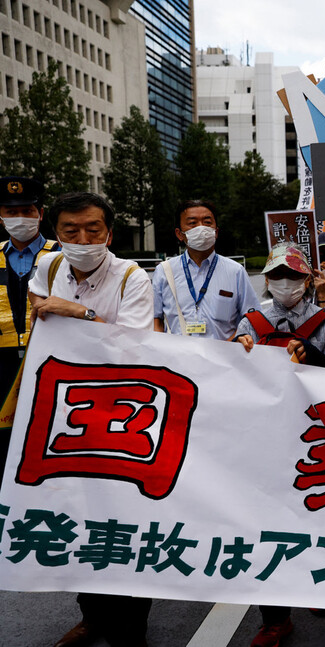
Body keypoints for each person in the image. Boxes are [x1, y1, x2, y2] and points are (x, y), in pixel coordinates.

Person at [27, 192, 154, 647]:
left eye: (92, 230)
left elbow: (136, 348)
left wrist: (78, 311)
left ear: (109, 233)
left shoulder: (132, 278)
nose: (81, 240)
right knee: (77, 516)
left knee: (125, 522)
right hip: (66, 416)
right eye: (69, 232)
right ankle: (92, 616)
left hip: (124, 420)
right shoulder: (51, 267)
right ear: (56, 234)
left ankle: (131, 631)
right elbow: (37, 300)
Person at [234, 244, 325, 647]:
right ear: (267, 280)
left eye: (294, 276)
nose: (286, 283)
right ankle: (275, 617)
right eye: (278, 275)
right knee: (268, 526)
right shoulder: (251, 321)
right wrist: (238, 354)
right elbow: (237, 382)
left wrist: (311, 354)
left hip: (314, 433)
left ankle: (319, 585)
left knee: (320, 513)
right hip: (265, 437)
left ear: (307, 280)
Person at [0, 177, 58, 477]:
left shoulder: (63, 254)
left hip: (50, 361)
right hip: (2, 365)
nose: (19, 218)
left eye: (26, 210)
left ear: (40, 213)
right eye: (11, 212)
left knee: (47, 436)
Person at [152, 199, 260, 339]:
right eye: (192, 223)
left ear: (216, 231)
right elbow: (156, 319)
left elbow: (252, 319)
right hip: (178, 358)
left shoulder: (236, 271)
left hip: (224, 357)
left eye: (207, 222)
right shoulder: (164, 271)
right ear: (179, 234)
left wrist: (231, 344)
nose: (201, 228)